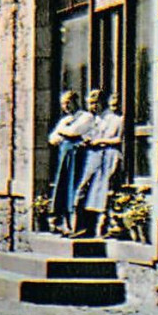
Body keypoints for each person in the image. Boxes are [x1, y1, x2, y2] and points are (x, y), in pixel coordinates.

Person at [75, 93, 125, 238]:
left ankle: (103, 228)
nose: (93, 107)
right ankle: (83, 227)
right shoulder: (94, 120)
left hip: (109, 155)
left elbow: (118, 139)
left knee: (105, 190)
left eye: (95, 103)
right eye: (90, 103)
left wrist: (100, 141)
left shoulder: (115, 119)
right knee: (85, 188)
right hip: (94, 155)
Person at [47, 90, 94, 237]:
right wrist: (62, 132)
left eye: (68, 102)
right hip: (64, 156)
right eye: (63, 103)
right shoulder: (65, 119)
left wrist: (63, 131)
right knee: (62, 186)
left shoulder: (86, 116)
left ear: (75, 101)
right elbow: (53, 138)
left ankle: (76, 225)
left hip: (78, 157)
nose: (65, 106)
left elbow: (75, 131)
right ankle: (64, 224)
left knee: (74, 187)